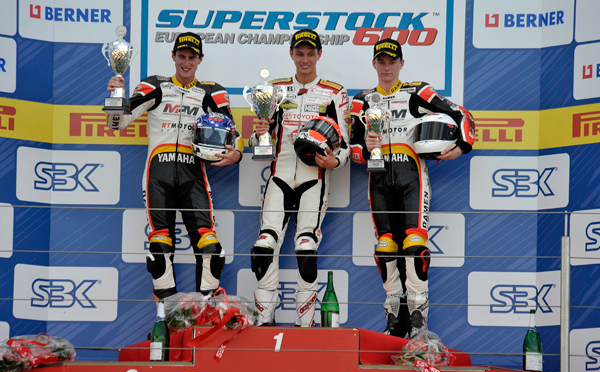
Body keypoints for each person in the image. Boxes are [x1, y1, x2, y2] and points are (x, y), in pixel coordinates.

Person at [349, 38, 475, 338]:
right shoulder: (362, 100)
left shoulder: (417, 92)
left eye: (392, 62)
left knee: (414, 245)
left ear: (401, 63)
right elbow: (352, 148)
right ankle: (395, 315)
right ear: (374, 64)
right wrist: (365, 148)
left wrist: (462, 146)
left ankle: (418, 317)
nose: (387, 67)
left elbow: (462, 115)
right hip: (378, 180)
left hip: (412, 177)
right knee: (385, 246)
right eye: (381, 62)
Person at [105, 32, 243, 299]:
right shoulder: (155, 85)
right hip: (158, 175)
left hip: (194, 175)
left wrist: (236, 155)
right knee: (160, 247)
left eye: (192, 57)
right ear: (173, 56)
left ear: (200, 59)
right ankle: (167, 316)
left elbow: (233, 135)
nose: (186, 63)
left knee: (210, 248)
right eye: (182, 56)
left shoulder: (212, 92)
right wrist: (115, 95)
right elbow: (117, 124)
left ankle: (206, 312)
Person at [249, 29, 350, 327]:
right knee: (265, 244)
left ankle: (304, 326)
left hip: (314, 178)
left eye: (310, 54)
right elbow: (258, 144)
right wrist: (258, 135)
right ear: (291, 54)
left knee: (306, 246)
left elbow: (345, 143)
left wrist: (336, 161)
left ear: (319, 55)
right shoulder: (275, 90)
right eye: (300, 53)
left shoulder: (334, 93)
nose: (305, 59)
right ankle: (264, 321)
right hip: (279, 175)